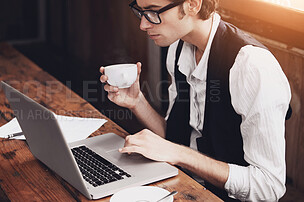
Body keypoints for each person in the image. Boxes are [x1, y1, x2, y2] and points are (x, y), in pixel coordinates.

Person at [99, 0, 291, 201]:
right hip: (183, 184)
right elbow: (175, 139)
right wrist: (136, 101)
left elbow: (269, 187)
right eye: (141, 11)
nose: (143, 25)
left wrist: (180, 154)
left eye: (153, 11)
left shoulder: (252, 66)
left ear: (192, 4)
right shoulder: (177, 49)